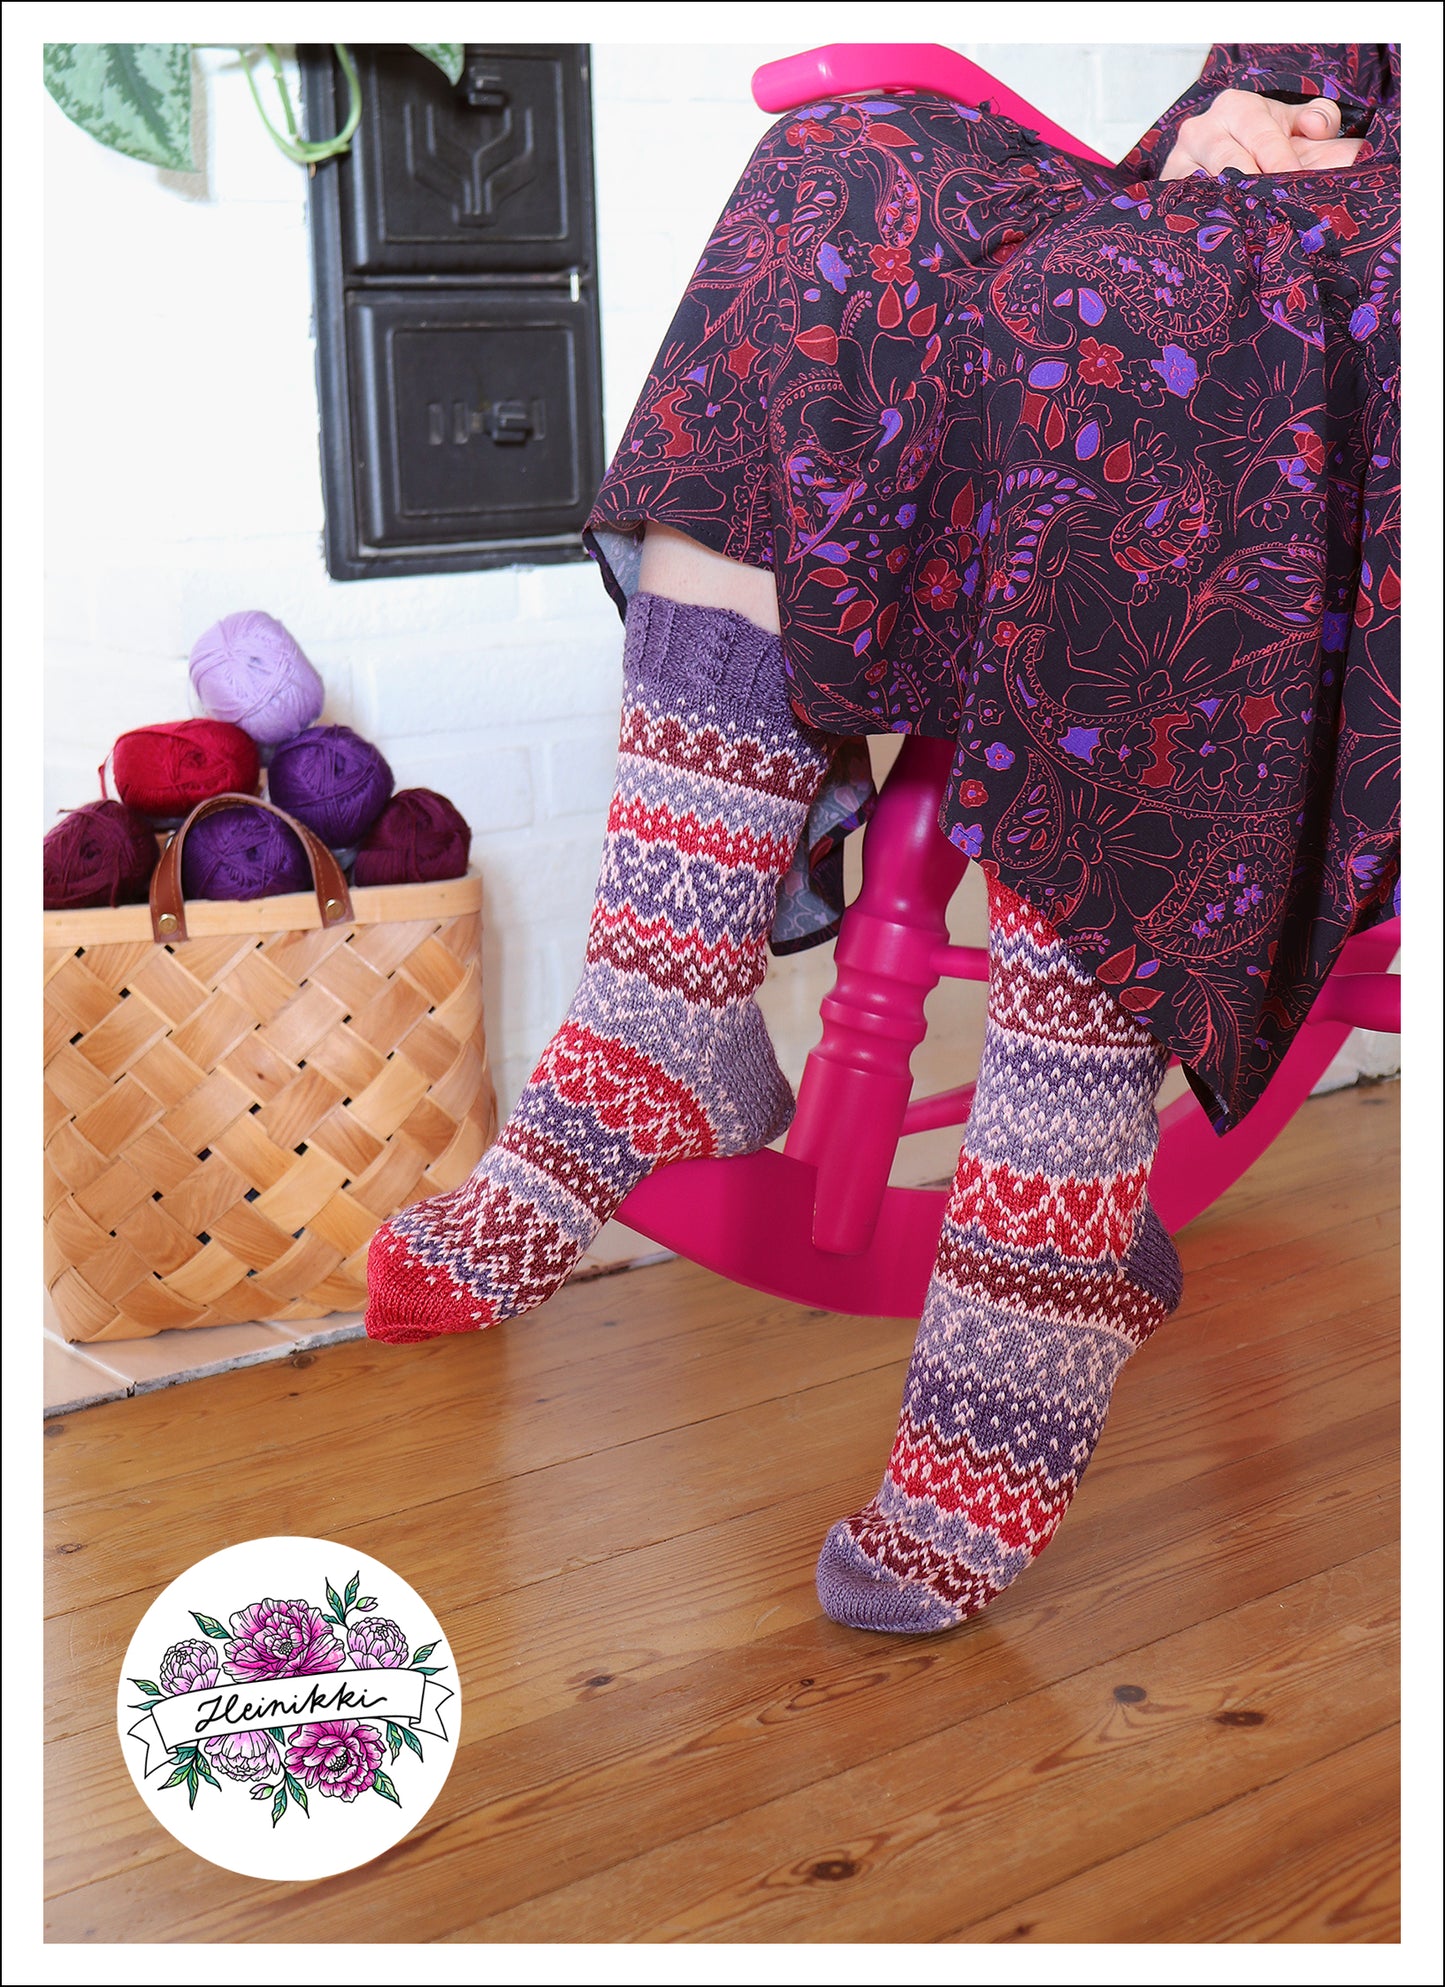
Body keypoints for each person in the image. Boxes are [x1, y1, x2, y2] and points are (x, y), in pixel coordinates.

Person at [365, 45, 1400, 1635]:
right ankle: (658, 1003)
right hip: (1292, 162)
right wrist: (1233, 108)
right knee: (838, 178)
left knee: (1164, 315)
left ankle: (1057, 1207)